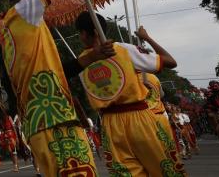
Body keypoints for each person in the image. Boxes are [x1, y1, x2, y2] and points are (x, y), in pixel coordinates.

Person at [0, 0, 107, 176]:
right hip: (54, 119)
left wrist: (93, 56)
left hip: (38, 122)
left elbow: (57, 71)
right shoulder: (24, 12)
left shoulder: (9, 30)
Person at [75, 14, 184, 176]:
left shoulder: (82, 60)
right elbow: (170, 61)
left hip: (113, 125)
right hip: (136, 120)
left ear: (87, 33)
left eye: (80, 32)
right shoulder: (122, 50)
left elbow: (170, 62)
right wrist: (146, 38)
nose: (80, 37)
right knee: (165, 171)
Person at [0, 104, 18, 172]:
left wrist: (17, 136)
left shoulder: (8, 117)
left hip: (10, 134)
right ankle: (15, 165)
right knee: (11, 151)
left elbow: (13, 127)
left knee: (13, 151)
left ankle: (15, 165)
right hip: (5, 135)